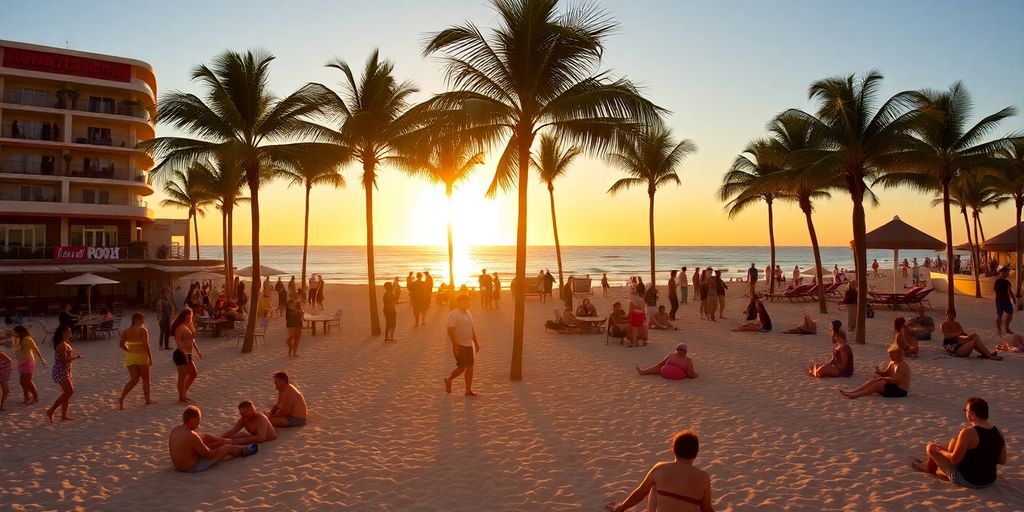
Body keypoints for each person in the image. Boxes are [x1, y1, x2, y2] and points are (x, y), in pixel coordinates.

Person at [608, 430, 713, 512]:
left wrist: (621, 508)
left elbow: (639, 493)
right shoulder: (703, 477)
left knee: (654, 486)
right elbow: (706, 508)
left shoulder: (660, 468)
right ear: (696, 453)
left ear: (674, 450)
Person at [912, 397, 1007, 488]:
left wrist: (940, 451)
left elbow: (954, 459)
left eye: (966, 411)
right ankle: (930, 465)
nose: (966, 413)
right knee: (953, 443)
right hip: (990, 480)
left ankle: (929, 467)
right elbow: (1002, 461)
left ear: (972, 414)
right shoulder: (998, 432)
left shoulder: (968, 433)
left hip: (969, 480)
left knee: (931, 448)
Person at [169, 406, 256, 473]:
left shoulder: (176, 430)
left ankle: (222, 439)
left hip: (179, 466)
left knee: (205, 436)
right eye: (198, 419)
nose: (199, 422)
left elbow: (189, 445)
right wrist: (217, 446)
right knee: (227, 448)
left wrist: (216, 443)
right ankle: (244, 451)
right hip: (191, 468)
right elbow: (209, 455)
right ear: (192, 420)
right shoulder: (192, 436)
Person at [838, 344, 910, 399]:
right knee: (874, 379)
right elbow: (886, 373)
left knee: (878, 384)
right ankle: (853, 391)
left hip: (900, 390)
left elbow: (897, 381)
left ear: (898, 354)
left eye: (892, 355)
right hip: (893, 386)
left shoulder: (902, 365)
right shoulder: (893, 362)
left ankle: (856, 395)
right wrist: (879, 372)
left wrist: (883, 379)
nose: (890, 356)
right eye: (889, 355)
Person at [117, 313, 156, 410]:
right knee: (146, 379)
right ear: (136, 320)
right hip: (141, 357)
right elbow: (146, 345)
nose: (143, 322)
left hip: (130, 357)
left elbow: (121, 344)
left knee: (134, 380)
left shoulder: (126, 331)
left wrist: (128, 350)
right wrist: (150, 358)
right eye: (141, 319)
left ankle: (121, 398)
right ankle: (147, 400)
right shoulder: (143, 330)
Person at [443, 294, 480, 396]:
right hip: (460, 345)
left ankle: (468, 390)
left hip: (468, 344)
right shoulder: (453, 314)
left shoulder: (468, 314)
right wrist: (455, 345)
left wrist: (475, 342)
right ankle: (449, 379)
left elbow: (472, 329)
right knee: (461, 367)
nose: (468, 303)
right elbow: (450, 330)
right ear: (459, 302)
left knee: (470, 366)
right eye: (465, 301)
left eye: (468, 301)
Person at [47, 326, 81, 423]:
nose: (70, 334)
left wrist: (74, 357)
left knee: (66, 394)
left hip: (65, 370)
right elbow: (64, 361)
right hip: (61, 371)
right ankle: (51, 410)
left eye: (70, 332)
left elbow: (66, 360)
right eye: (68, 332)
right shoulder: (62, 345)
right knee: (69, 392)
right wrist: (75, 357)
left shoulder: (64, 343)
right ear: (63, 332)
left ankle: (63, 416)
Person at [171, 308, 202, 403]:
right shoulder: (180, 327)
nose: (190, 317)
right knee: (182, 377)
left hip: (188, 354)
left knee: (193, 373)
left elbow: (192, 340)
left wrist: (197, 350)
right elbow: (178, 341)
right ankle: (181, 397)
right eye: (189, 315)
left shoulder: (188, 325)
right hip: (180, 354)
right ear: (184, 316)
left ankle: (183, 393)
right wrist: (184, 352)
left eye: (191, 315)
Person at [13, 325, 44, 405]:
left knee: (27, 381)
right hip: (22, 363)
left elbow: (35, 349)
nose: (15, 334)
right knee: (22, 382)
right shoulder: (18, 339)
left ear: (21, 332)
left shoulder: (28, 339)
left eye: (16, 333)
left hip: (28, 362)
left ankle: (35, 397)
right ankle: (26, 398)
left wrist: (41, 359)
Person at [994, 266, 1015, 335]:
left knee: (1010, 313)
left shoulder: (1007, 282)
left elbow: (1010, 291)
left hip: (1007, 300)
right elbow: (997, 291)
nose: (1008, 274)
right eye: (1007, 272)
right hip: (1000, 300)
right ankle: (999, 329)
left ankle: (1007, 328)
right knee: (999, 314)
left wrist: (1013, 299)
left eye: (1008, 272)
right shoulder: (998, 281)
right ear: (1002, 272)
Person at [285, 292, 304, 357]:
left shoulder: (298, 304)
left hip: (298, 322)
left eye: (297, 295)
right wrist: (298, 311)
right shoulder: (289, 303)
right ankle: (290, 348)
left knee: (297, 338)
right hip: (291, 323)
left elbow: (302, 312)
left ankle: (294, 352)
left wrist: (301, 312)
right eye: (295, 295)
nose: (297, 297)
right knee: (292, 337)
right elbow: (291, 310)